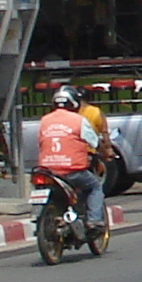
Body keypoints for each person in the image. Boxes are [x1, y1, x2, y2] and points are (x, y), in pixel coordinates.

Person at [32, 85, 105, 238]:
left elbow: (40, 142)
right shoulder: (79, 120)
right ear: (74, 103)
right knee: (95, 187)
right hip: (72, 171)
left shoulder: (44, 120)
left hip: (47, 171)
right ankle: (94, 221)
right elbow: (95, 142)